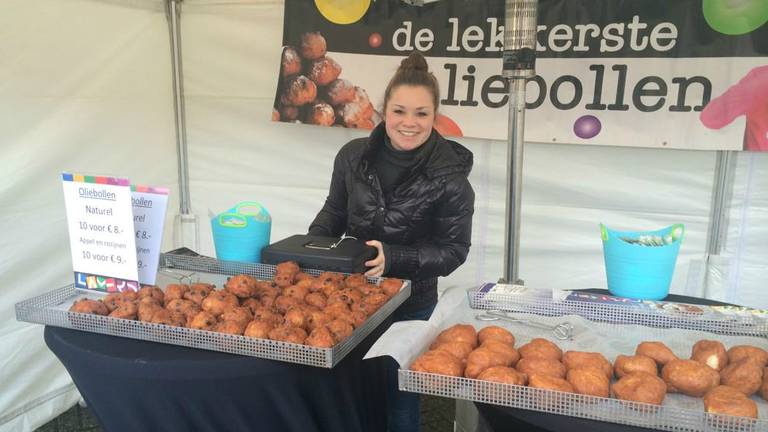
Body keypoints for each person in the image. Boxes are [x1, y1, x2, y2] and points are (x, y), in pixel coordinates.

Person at [308, 51, 475, 432]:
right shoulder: (352, 156)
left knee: (398, 399)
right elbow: (334, 212)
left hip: (412, 303)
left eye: (422, 113)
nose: (409, 123)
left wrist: (394, 258)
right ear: (383, 110)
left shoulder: (450, 177)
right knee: (349, 391)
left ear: (436, 116)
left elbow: (453, 251)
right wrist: (311, 249)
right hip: (352, 298)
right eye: (400, 111)